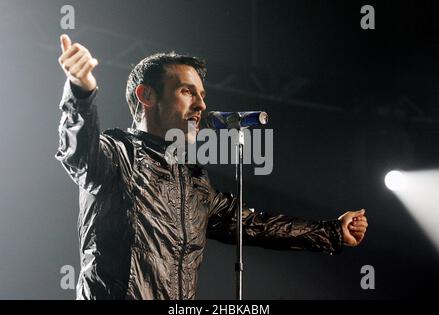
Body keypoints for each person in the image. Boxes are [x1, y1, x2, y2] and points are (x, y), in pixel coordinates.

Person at [56, 34, 368, 300]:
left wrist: (332, 233)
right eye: (186, 91)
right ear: (146, 95)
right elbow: (79, 152)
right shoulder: (118, 154)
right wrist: (81, 93)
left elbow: (254, 225)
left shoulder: (193, 180)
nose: (202, 106)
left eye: (202, 95)